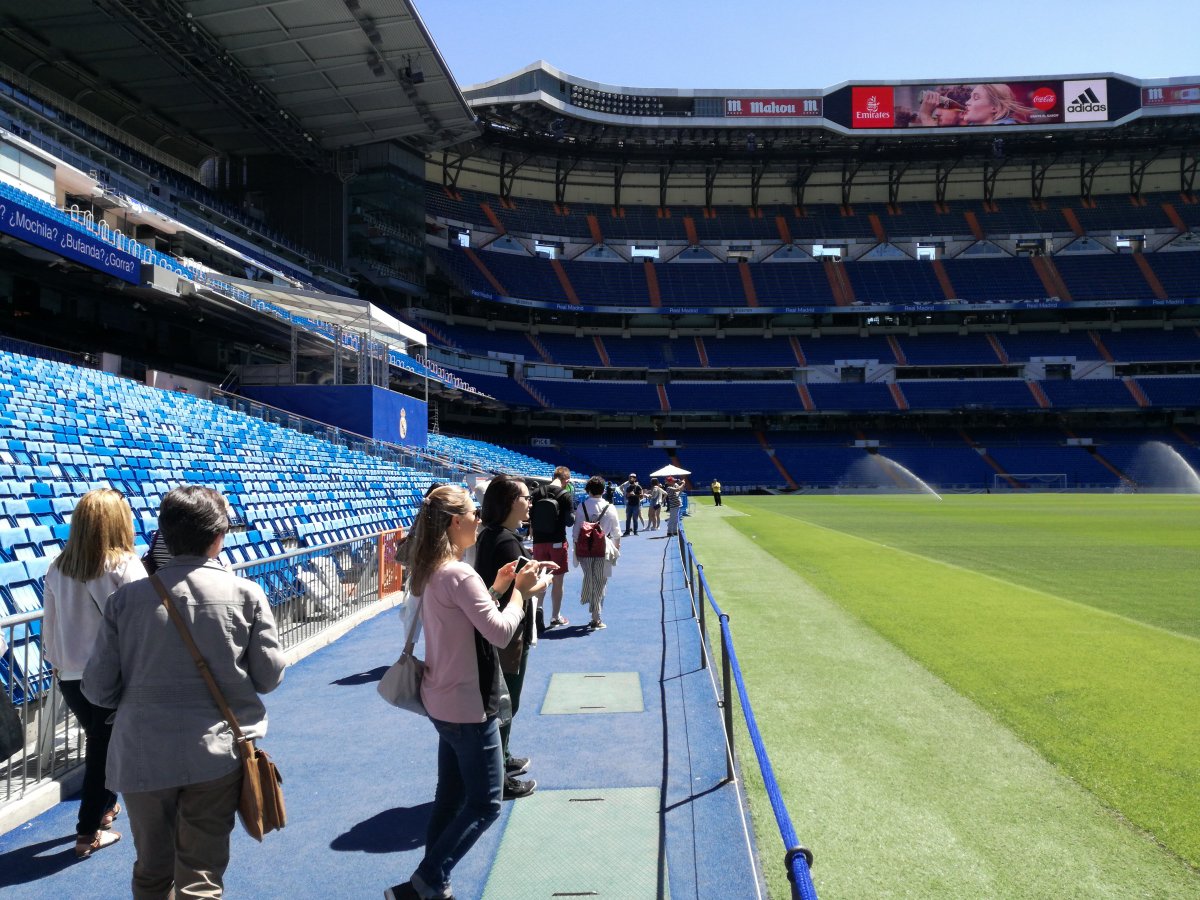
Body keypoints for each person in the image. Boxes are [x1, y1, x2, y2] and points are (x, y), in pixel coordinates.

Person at [83, 486, 286, 898]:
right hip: (214, 754)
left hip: (141, 755)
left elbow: (99, 689)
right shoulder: (247, 595)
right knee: (201, 874)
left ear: (165, 536)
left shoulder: (125, 601)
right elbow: (268, 678)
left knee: (152, 869)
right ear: (219, 537)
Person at [386, 485, 549, 900]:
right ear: (456, 522)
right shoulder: (457, 572)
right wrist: (520, 595)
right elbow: (497, 631)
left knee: (451, 796)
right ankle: (427, 879)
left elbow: (466, 619)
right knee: (485, 803)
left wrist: (496, 589)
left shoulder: (433, 569)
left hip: (442, 698)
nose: (479, 520)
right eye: (474, 514)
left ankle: (433, 884)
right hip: (467, 704)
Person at [42, 488, 147, 858]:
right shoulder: (123, 564)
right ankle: (86, 832)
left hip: (70, 675)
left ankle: (104, 809)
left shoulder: (57, 567)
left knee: (105, 744)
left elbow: (49, 627)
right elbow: (141, 624)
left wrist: (58, 663)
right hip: (111, 674)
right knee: (103, 750)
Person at [474, 475, 558, 800]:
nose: (530, 501)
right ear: (509, 502)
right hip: (507, 634)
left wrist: (535, 566)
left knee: (504, 702)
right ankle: (500, 776)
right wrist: (543, 581)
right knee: (506, 703)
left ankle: (503, 758)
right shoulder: (505, 540)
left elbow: (517, 572)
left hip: (501, 629)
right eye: (524, 497)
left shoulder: (497, 535)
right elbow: (521, 587)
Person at [572, 476, 621, 630]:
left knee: (590, 579)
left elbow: (576, 533)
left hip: (585, 549)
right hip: (603, 549)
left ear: (588, 490)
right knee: (601, 581)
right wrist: (616, 552)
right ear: (604, 490)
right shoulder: (610, 507)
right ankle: (596, 617)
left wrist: (576, 552)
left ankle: (594, 613)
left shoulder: (582, 506)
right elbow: (616, 533)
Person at [529, 466, 574, 628]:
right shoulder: (565, 495)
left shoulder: (536, 493)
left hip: (538, 542)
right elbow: (569, 521)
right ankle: (555, 616)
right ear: (566, 480)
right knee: (558, 580)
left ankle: (538, 609)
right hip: (557, 541)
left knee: (540, 577)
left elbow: (531, 517)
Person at [915, 83, 1035, 127]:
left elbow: (942, 155)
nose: (967, 102)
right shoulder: (977, 127)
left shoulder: (1005, 131)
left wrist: (926, 115)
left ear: (995, 107)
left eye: (976, 98)